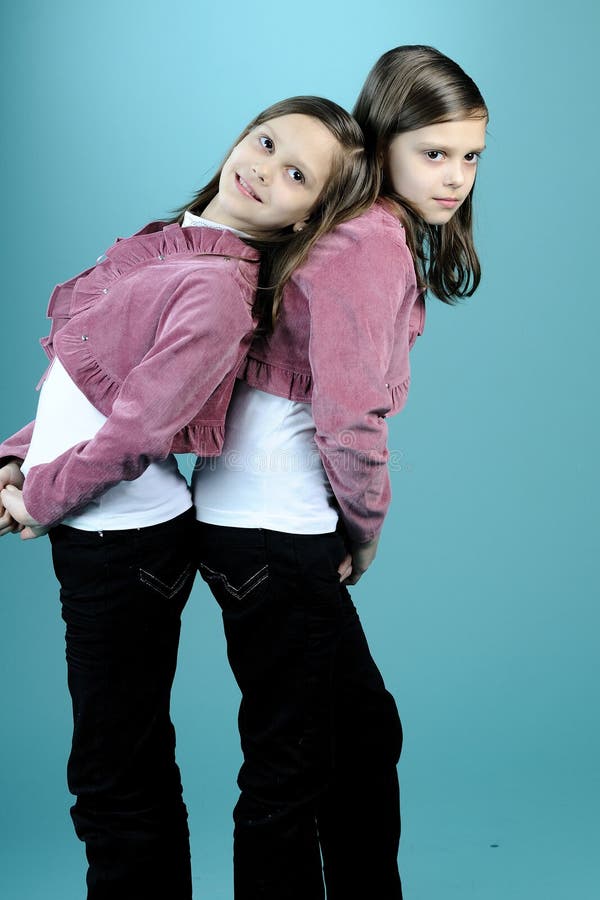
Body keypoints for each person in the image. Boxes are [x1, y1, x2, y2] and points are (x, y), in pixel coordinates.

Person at [0, 96, 375, 900]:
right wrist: (16, 459)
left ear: (309, 215)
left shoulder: (215, 289)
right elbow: (91, 380)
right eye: (267, 141)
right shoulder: (178, 244)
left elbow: (141, 428)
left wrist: (41, 500)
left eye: (296, 175)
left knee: (115, 777)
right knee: (118, 768)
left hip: (124, 542)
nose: (264, 169)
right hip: (104, 525)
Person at [193, 45, 488, 899]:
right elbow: (349, 417)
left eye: (471, 156)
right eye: (434, 153)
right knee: (296, 761)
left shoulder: (360, 233)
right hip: (275, 525)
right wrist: (364, 529)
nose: (456, 176)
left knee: (354, 733)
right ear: (385, 139)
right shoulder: (369, 244)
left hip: (255, 521)